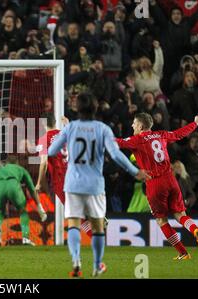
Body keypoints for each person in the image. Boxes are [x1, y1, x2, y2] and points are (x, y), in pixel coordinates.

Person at [48, 93, 150, 278]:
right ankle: (96, 265)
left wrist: (64, 132)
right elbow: (117, 155)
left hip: (72, 183)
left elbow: (52, 150)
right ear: (95, 109)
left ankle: (76, 261)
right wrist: (135, 172)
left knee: (73, 224)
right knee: (97, 227)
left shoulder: (70, 127)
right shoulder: (102, 129)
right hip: (94, 184)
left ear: (77, 109)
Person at [116, 113, 198, 260]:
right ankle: (195, 229)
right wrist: (195, 124)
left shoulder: (136, 140)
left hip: (154, 183)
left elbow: (117, 142)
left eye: (134, 123)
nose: (132, 126)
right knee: (181, 215)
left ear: (140, 126)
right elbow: (179, 134)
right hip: (171, 180)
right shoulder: (161, 135)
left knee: (161, 220)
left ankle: (183, 253)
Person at [35, 112, 94, 238]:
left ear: (43, 124)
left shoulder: (43, 139)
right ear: (55, 121)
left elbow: (44, 163)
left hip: (61, 180)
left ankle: (95, 236)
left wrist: (39, 182)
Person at [0, 156, 47, 246]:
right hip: (12, 185)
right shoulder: (20, 169)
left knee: (0, 211)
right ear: (16, 163)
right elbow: (32, 190)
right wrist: (39, 207)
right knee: (23, 211)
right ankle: (26, 238)